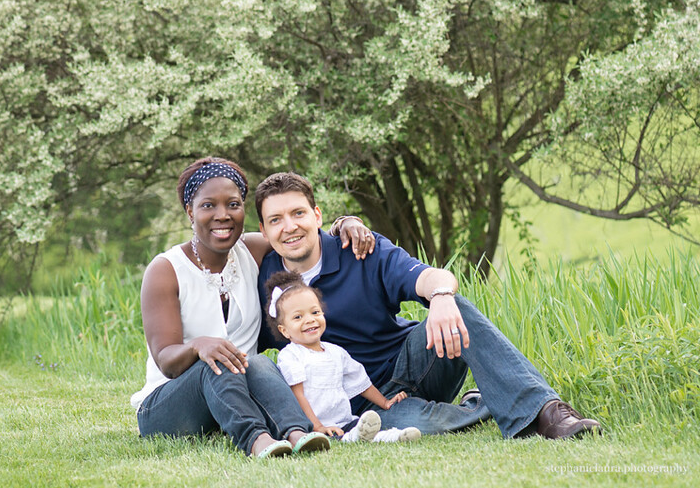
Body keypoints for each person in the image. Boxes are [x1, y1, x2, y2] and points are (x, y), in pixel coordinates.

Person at [255, 172, 602, 440]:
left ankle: (547, 413)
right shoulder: (265, 279)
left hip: (417, 361)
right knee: (417, 426)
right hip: (363, 406)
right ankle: (480, 404)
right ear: (264, 229)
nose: (290, 227)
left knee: (457, 307)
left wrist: (441, 297)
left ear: (316, 215)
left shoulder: (359, 249)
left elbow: (431, 277)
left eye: (298, 213)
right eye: (276, 220)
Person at [130, 157, 376, 458]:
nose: (223, 215)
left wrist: (345, 222)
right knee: (217, 359)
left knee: (259, 362)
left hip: (236, 395)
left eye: (233, 204)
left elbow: (298, 233)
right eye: (209, 206)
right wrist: (199, 346)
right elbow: (166, 360)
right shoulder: (166, 270)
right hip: (168, 406)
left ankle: (299, 433)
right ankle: (258, 441)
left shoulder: (251, 250)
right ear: (189, 212)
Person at [264, 271, 422, 443]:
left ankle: (393, 436)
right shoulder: (291, 355)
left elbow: (360, 382)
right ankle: (353, 437)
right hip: (314, 425)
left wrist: (385, 403)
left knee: (361, 427)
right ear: (284, 330)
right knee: (347, 436)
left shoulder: (335, 352)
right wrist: (317, 426)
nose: (309, 320)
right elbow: (298, 395)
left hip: (345, 420)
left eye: (315, 312)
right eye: (298, 317)